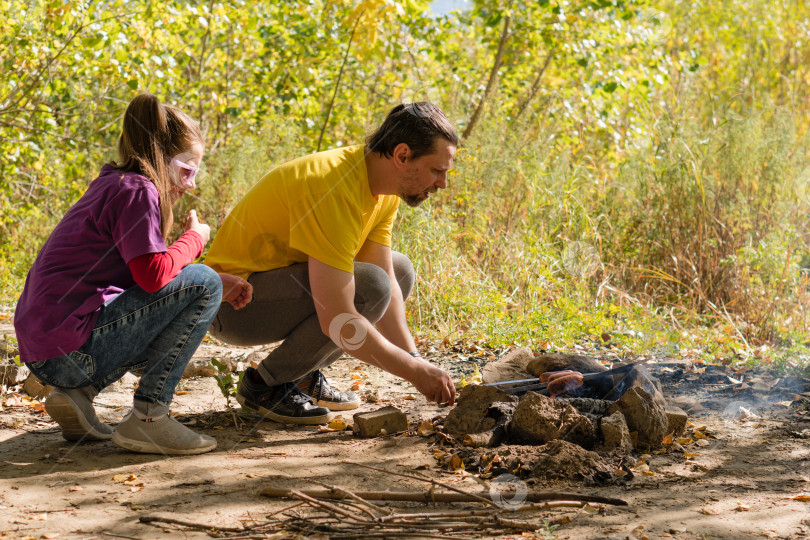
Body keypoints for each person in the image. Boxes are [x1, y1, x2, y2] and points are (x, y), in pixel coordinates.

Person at [13, 93, 253, 455]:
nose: (190, 184)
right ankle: (149, 419)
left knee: (204, 280)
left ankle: (78, 393)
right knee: (202, 280)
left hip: (45, 350)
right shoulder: (137, 191)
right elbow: (153, 278)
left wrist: (215, 279)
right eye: (187, 169)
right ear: (159, 155)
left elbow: (139, 282)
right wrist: (195, 240)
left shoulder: (113, 184)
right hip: (71, 353)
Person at [205, 102, 457, 424]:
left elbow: (388, 282)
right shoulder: (335, 186)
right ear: (402, 155)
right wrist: (413, 373)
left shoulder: (384, 189)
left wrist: (415, 360)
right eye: (438, 170)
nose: (442, 184)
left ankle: (305, 376)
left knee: (398, 270)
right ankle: (266, 386)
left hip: (273, 291)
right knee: (369, 286)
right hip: (233, 306)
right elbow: (338, 318)